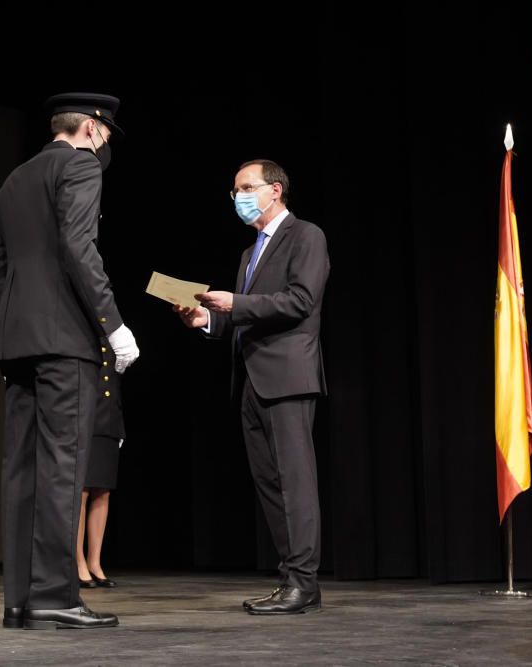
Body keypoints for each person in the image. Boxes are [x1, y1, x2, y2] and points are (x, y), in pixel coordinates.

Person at [0, 92, 139, 630]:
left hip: (19, 341)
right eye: (107, 137)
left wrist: (8, 330)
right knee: (62, 467)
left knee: (21, 469)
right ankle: (55, 596)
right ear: (94, 129)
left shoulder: (15, 179)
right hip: (65, 340)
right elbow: (79, 246)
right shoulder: (78, 165)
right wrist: (112, 323)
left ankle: (20, 600)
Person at [176, 159, 329, 615]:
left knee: (294, 484)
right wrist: (207, 320)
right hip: (251, 380)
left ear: (275, 190)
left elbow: (301, 300)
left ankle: (304, 581)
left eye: (246, 187)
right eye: (234, 190)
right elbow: (245, 322)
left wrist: (236, 302)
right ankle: (292, 581)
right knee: (270, 485)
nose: (238, 197)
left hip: (287, 378)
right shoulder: (250, 253)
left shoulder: (306, 236)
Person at [76, 338, 124, 589]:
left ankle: (95, 561)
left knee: (102, 491)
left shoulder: (111, 336)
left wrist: (120, 426)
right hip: (83, 419)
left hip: (108, 419)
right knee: (81, 492)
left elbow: (113, 383)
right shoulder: (78, 329)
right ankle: (78, 561)